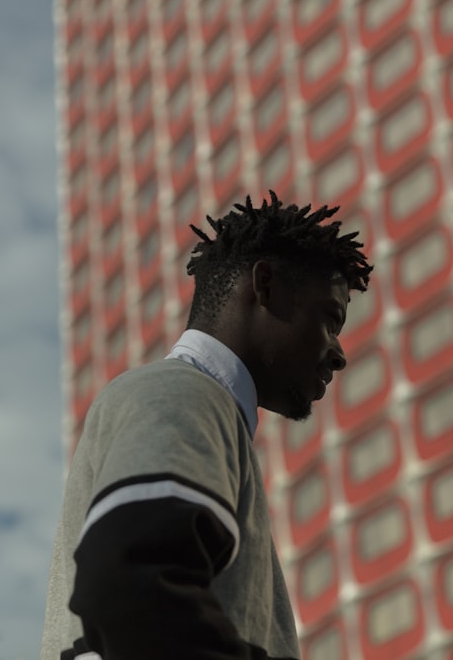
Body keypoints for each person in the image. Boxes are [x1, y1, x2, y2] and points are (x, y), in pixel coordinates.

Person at [40, 191, 372, 660]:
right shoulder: (184, 394)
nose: (338, 353)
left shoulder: (200, 407)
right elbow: (130, 586)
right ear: (267, 284)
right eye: (330, 320)